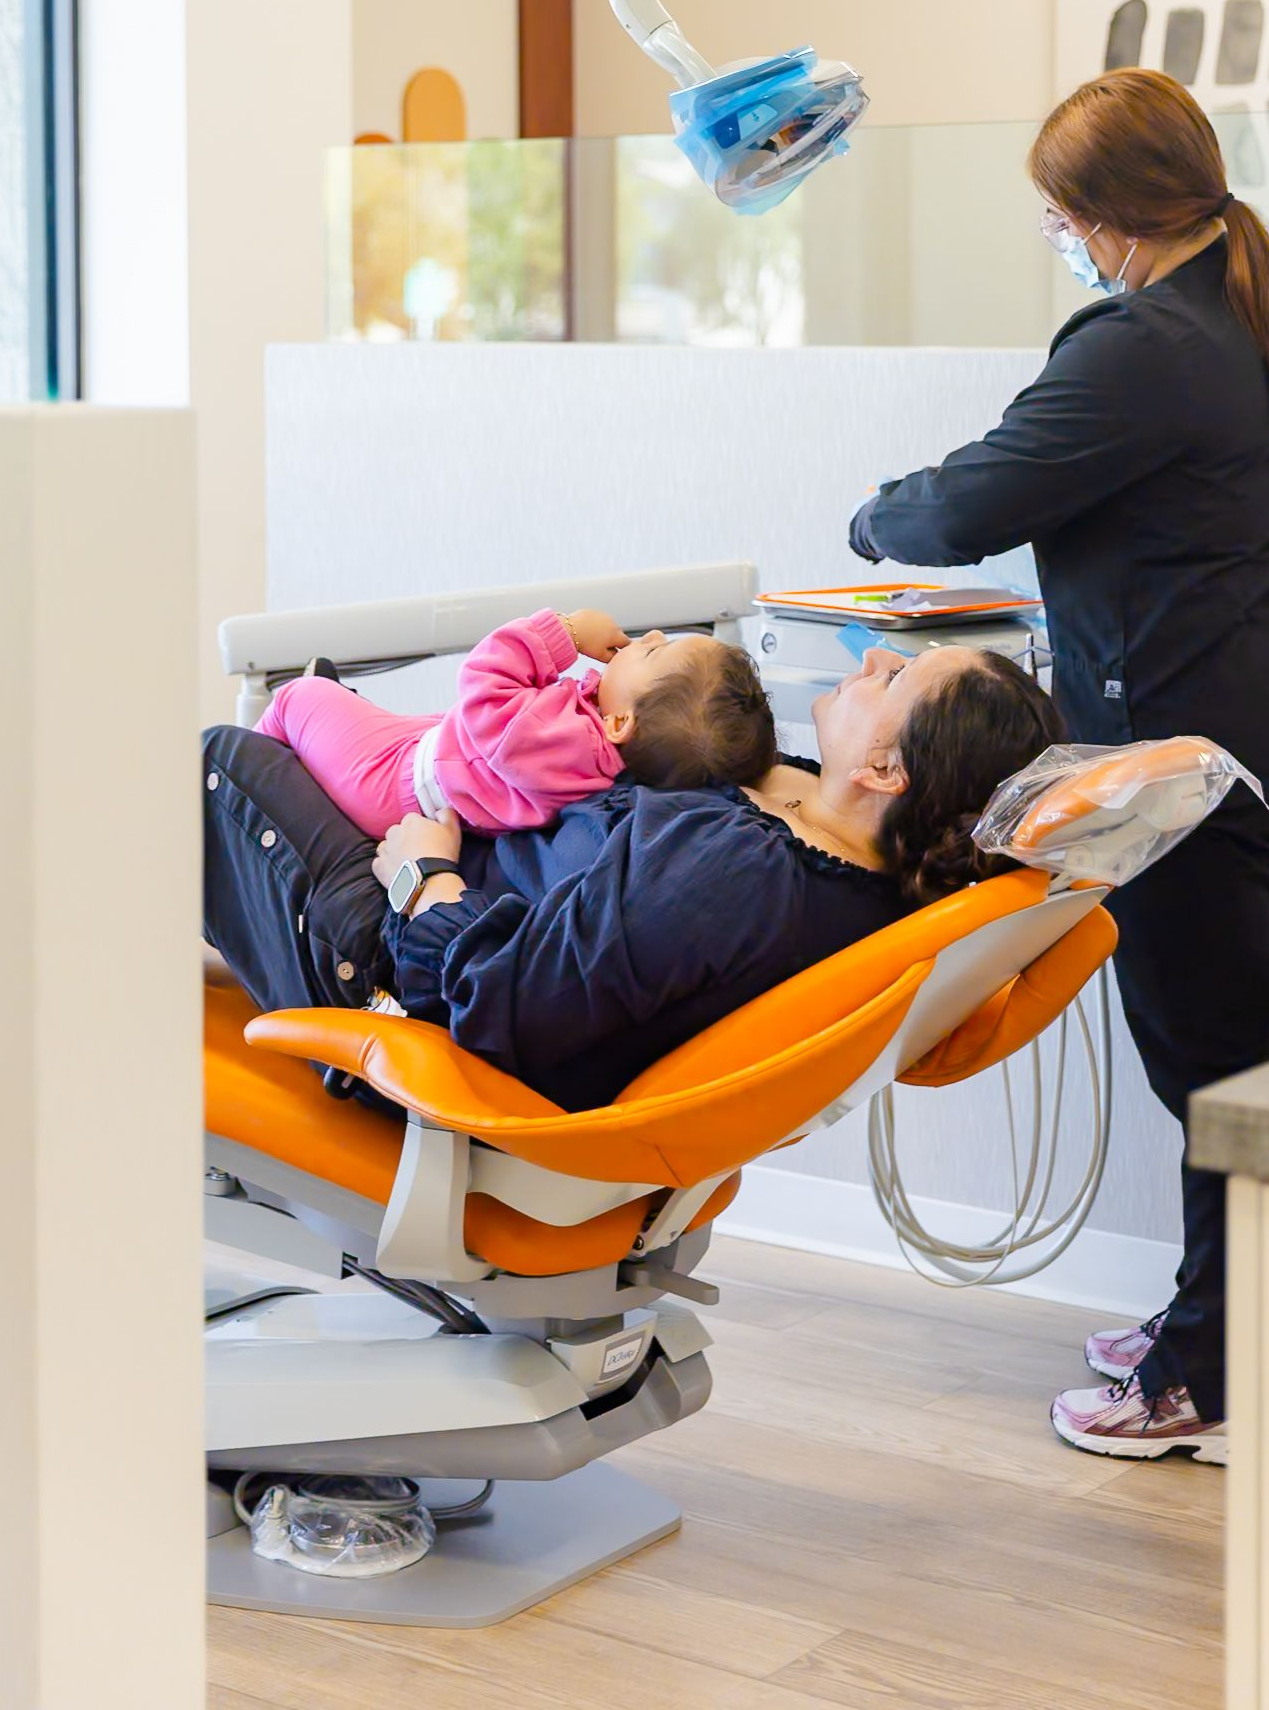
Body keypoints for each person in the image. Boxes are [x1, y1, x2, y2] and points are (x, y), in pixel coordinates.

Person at [849, 68, 1269, 1463]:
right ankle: (1212, 1322)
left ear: (1112, 215)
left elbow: (972, 498)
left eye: (1063, 217)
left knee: (1212, 1061)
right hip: (1226, 723)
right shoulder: (1234, 309)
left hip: (1181, 762)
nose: (1067, 243)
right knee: (1224, 1051)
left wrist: (869, 521)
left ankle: (1202, 1379)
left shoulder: (1143, 341)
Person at [204, 645, 1065, 1114]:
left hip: (401, 981)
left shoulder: (731, 874)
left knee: (222, 761)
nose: (876, 657)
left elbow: (501, 1003)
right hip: (463, 884)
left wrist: (422, 877)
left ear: (884, 771)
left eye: (900, 676)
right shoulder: (852, 850)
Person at [254, 607, 777, 839]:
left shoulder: (566, 742)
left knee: (301, 697)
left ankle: (249, 772)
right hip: (444, 755)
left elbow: (483, 680)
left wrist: (565, 632)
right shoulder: (609, 757)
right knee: (368, 715)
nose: (651, 634)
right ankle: (332, 719)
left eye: (651, 653)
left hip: (395, 780)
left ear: (619, 722)